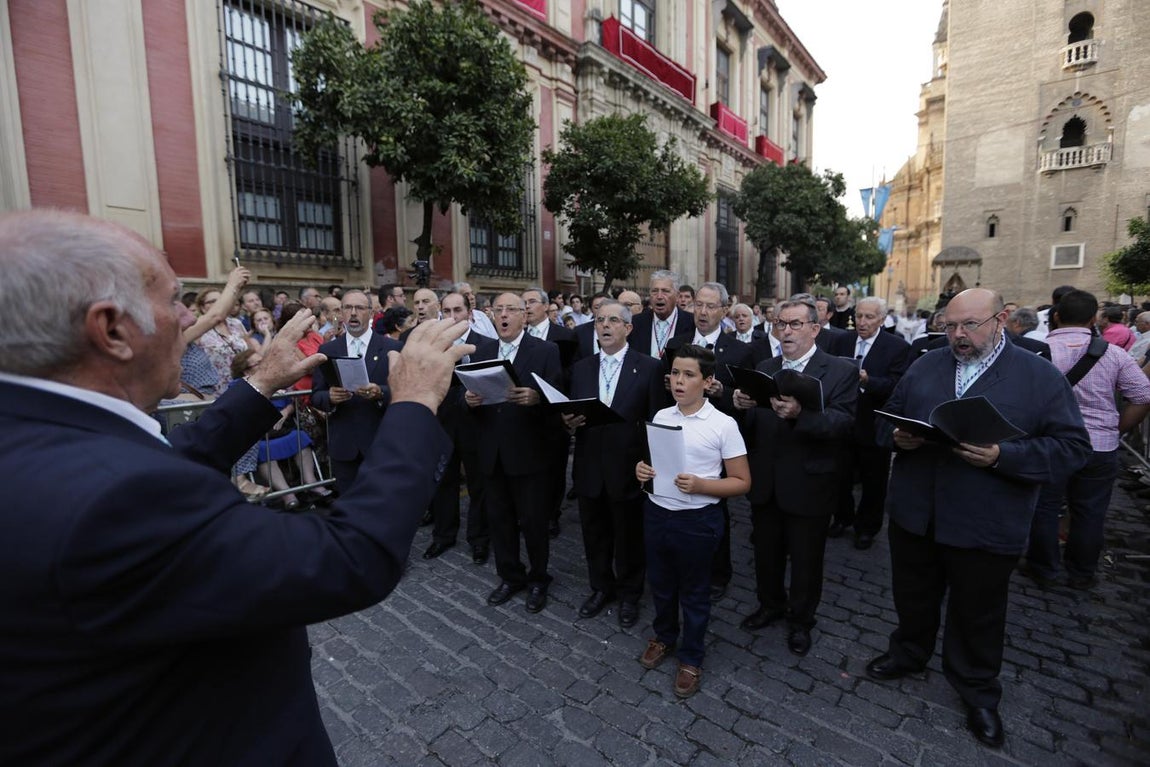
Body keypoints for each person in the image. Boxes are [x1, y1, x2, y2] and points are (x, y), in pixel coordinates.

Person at [0, 208, 472, 766]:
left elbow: (170, 456)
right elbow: (351, 557)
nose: (189, 316)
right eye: (176, 300)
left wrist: (260, 383)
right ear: (112, 330)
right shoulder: (109, 501)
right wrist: (414, 401)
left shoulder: (40, 435)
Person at [866, 288, 1090, 749]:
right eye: (949, 326)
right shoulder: (925, 364)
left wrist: (1003, 456)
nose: (958, 335)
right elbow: (885, 422)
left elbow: (1072, 449)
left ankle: (977, 691)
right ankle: (908, 652)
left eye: (970, 324)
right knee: (913, 596)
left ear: (1001, 319)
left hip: (987, 522)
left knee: (978, 613)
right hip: (917, 515)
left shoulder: (1040, 375)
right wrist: (897, 437)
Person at [733, 298, 857, 656]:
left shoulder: (840, 370)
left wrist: (801, 415)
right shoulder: (765, 367)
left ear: (815, 329)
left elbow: (844, 423)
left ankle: (801, 620)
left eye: (795, 324)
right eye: (780, 324)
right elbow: (752, 424)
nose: (786, 331)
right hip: (766, 480)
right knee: (766, 553)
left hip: (809, 483)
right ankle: (770, 604)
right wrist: (740, 407)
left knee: (806, 561)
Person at [634, 345, 750, 699]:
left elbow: (742, 482)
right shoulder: (662, 414)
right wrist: (642, 471)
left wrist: (702, 485)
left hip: (698, 520)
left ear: (708, 381)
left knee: (695, 592)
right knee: (661, 584)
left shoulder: (723, 425)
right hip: (657, 513)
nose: (678, 381)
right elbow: (655, 463)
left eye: (688, 375)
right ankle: (664, 636)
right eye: (674, 373)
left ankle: (692, 657)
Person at [1025, 290, 1150, 589]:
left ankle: (1043, 569)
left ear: (1056, 316)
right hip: (1100, 446)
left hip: (1052, 443)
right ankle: (1081, 573)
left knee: (1044, 507)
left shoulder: (1037, 352)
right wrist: (1116, 429)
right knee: (1090, 511)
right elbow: (1143, 395)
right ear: (1094, 319)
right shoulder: (1114, 354)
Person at [563, 299, 663, 627]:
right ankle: (601, 587)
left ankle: (630, 594)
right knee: (594, 533)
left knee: (629, 536)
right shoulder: (581, 368)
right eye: (599, 320)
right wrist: (568, 421)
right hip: (589, 464)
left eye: (612, 320)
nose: (605, 325)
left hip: (629, 468)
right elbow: (571, 412)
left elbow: (655, 422)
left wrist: (648, 465)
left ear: (628, 328)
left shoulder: (648, 367)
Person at [466, 292, 563, 613]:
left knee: (534, 522)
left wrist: (537, 399)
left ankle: (538, 579)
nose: (504, 315)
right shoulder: (482, 351)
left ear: (525, 315)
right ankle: (510, 576)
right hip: (492, 451)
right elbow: (465, 395)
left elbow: (558, 397)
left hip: (529, 451)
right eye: (499, 310)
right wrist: (468, 401)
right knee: (500, 520)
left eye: (511, 310)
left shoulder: (545, 350)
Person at [422, 292, 499, 563]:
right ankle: (443, 536)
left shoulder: (488, 345)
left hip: (477, 424)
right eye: (447, 311)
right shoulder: (433, 346)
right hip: (442, 423)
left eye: (458, 310)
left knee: (479, 483)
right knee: (444, 481)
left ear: (469, 313)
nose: (453, 316)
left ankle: (479, 539)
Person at [828, 297, 910, 548]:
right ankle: (842, 517)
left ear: (882, 320)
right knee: (839, 475)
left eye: (869, 317)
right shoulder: (842, 340)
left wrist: (868, 381)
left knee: (873, 481)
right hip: (843, 422)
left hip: (874, 424)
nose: (862, 322)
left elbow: (897, 385)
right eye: (859, 316)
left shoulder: (897, 347)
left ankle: (867, 528)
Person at [311, 290, 402, 493]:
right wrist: (330, 397)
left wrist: (381, 393)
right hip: (345, 447)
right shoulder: (328, 350)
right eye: (347, 308)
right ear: (341, 313)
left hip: (382, 443)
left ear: (371, 313)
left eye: (359, 308)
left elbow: (406, 390)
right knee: (349, 505)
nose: (353, 313)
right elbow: (316, 395)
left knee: (384, 502)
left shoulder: (393, 347)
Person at [630, 270, 695, 360]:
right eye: (654, 291)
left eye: (665, 291)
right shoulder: (635, 323)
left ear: (677, 296)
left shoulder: (692, 323)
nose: (659, 296)